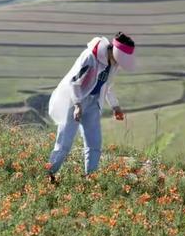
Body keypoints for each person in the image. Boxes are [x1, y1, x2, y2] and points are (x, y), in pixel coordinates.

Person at [47, 32, 136, 179]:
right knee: (64, 142)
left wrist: (115, 106)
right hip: (74, 101)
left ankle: (90, 178)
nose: (120, 63)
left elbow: (107, 86)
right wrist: (77, 105)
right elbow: (74, 82)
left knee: (94, 143)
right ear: (114, 51)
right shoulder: (90, 57)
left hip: (93, 104)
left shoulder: (113, 64)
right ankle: (49, 174)